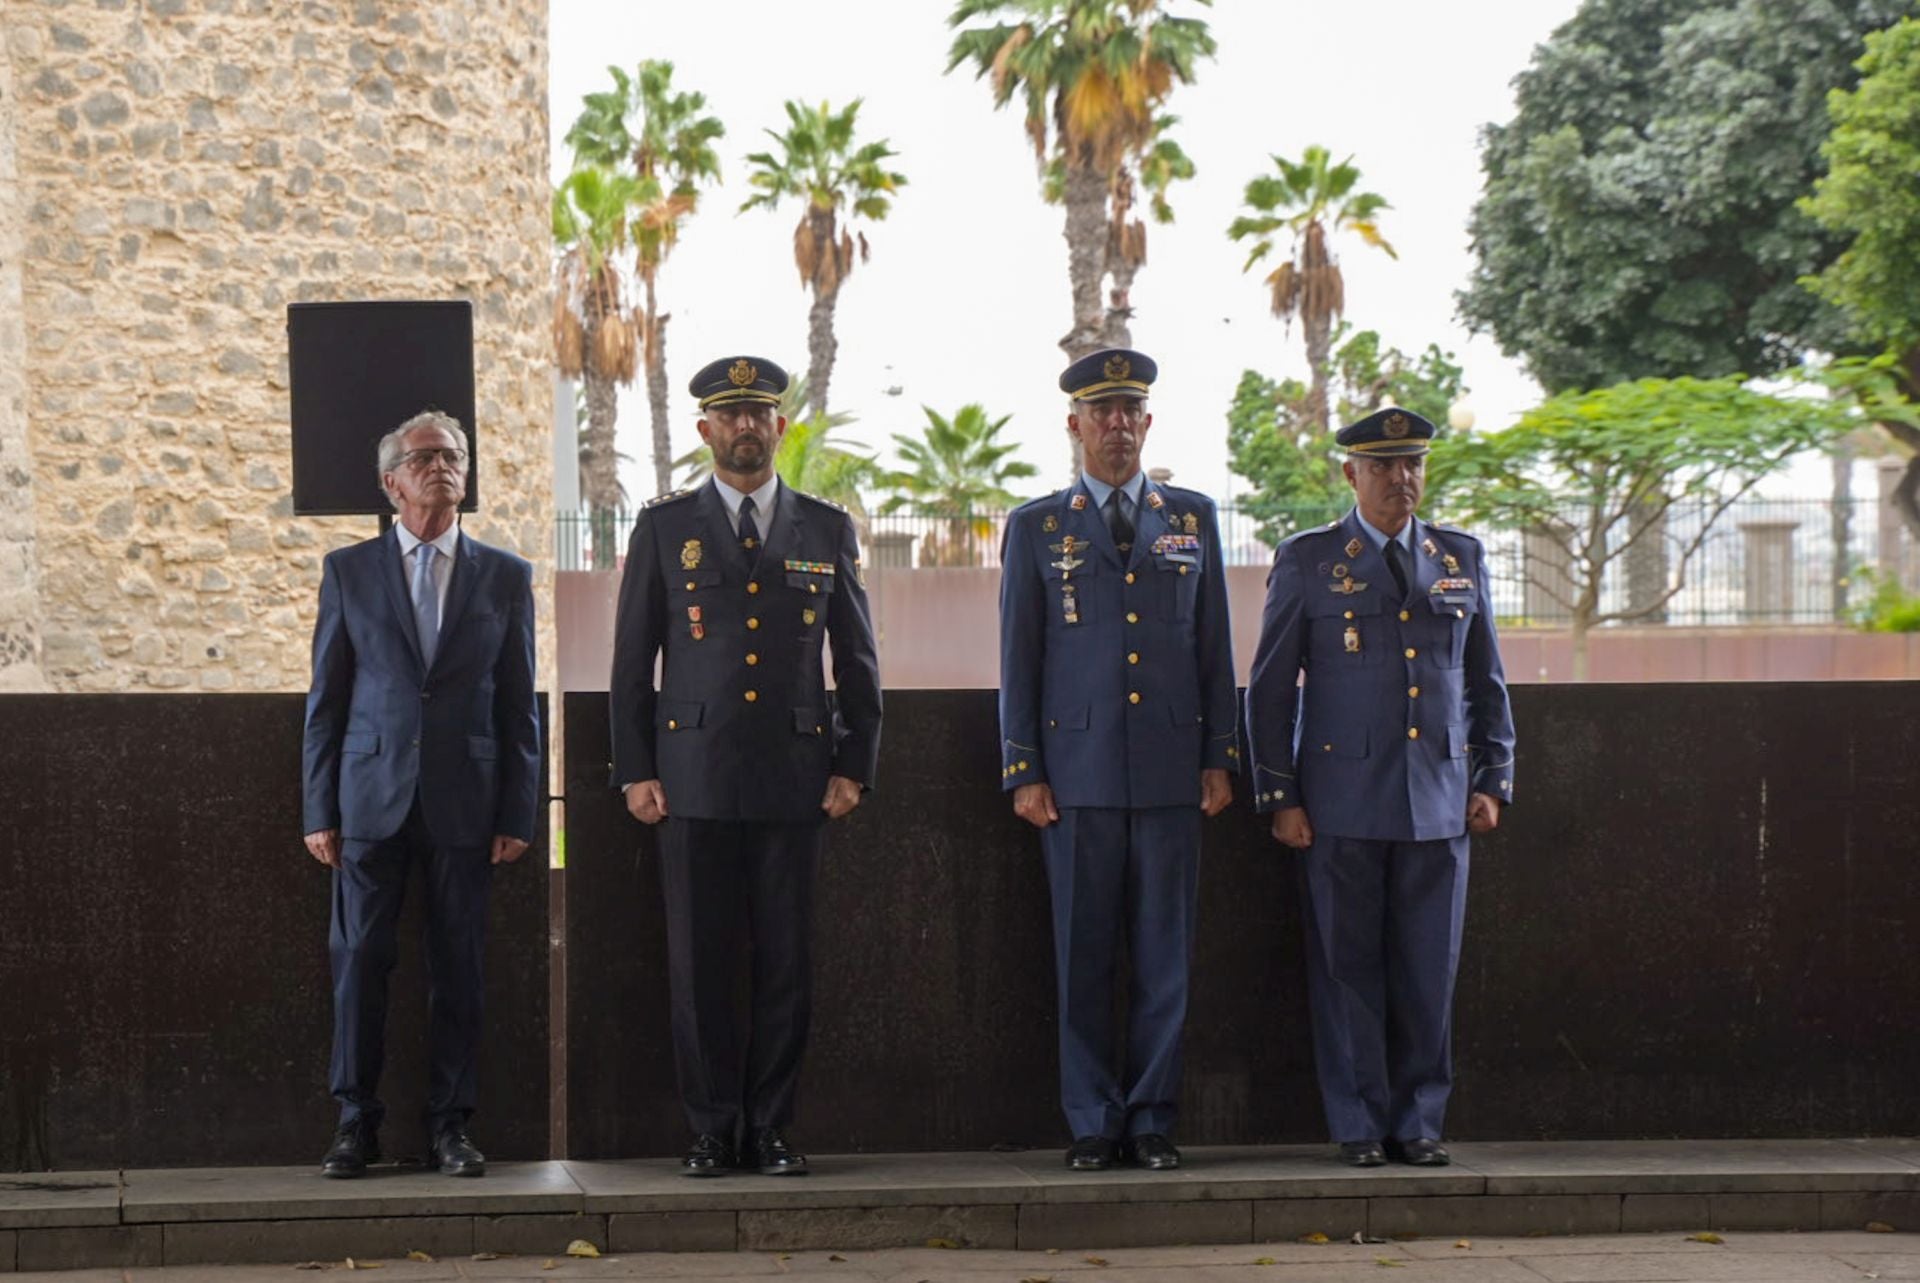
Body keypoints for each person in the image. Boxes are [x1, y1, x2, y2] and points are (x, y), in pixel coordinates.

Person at [609, 355, 882, 1177]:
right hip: (690, 777)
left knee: (786, 963)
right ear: (705, 430)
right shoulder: (665, 527)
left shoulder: (825, 527)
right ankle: (710, 1126)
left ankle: (770, 1126)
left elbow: (857, 658)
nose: (745, 427)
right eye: (730, 415)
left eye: (759, 413)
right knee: (699, 964)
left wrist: (854, 763)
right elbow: (632, 660)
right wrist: (635, 767)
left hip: (796, 778)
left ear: (780, 427)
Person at [1245, 405, 1515, 1168]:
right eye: (1383, 466)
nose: (1402, 478)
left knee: (1431, 971)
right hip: (1341, 799)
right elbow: (1269, 689)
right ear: (1351, 473)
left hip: (1440, 798)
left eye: (1413, 463)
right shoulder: (1309, 559)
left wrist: (1494, 776)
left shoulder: (1458, 556)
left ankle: (1419, 1121)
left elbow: (1485, 678)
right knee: (1348, 971)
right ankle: (1360, 1122)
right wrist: (1280, 795)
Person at [996, 348, 1237, 1173]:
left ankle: (1153, 1118)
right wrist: (1024, 767)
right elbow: (1019, 655)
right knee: (1083, 955)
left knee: (1166, 958)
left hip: (1172, 772)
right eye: (1102, 411)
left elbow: (1214, 649)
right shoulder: (1039, 526)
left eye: (1131, 410)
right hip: (1077, 776)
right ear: (1076, 425)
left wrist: (1219, 755)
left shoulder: (1192, 518)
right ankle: (1094, 1119)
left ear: (1148, 421)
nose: (1117, 424)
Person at [301, 409, 540, 1179]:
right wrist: (319, 808)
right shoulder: (349, 571)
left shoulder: (505, 575)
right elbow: (327, 699)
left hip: (467, 801)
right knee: (359, 961)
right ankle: (354, 1122)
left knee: (458, 967)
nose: (442, 465)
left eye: (453, 455)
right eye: (424, 456)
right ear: (391, 481)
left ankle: (451, 1125)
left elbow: (520, 704)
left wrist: (519, 808)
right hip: (369, 799)